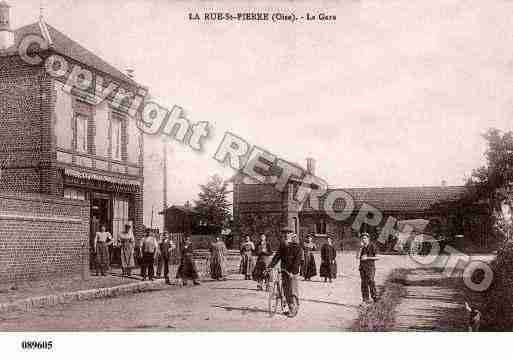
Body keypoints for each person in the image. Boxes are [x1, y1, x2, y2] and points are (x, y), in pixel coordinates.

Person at [266, 229, 303, 318]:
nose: (286, 235)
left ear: (291, 235)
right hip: (284, 271)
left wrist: (292, 272)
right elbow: (276, 257)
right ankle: (291, 307)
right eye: (284, 234)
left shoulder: (297, 247)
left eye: (288, 234)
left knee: (292, 290)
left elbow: (297, 261)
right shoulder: (282, 246)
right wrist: (270, 266)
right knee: (286, 290)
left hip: (292, 273)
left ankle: (294, 309)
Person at [358, 233, 378, 304]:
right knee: (364, 283)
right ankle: (365, 299)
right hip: (362, 268)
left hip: (370, 267)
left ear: (368, 239)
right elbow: (357, 257)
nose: (363, 240)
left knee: (371, 281)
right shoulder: (362, 247)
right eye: (362, 238)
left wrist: (368, 258)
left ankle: (375, 297)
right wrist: (360, 248)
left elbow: (377, 257)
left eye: (365, 238)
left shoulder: (372, 246)